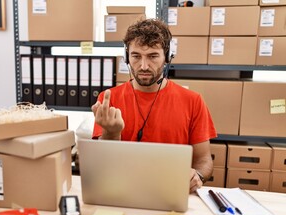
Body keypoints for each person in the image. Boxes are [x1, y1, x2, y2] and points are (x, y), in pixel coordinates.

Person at [91, 18, 217, 193]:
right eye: (136, 56)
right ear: (127, 58)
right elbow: (101, 166)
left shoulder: (193, 101)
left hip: (172, 193)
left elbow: (204, 160)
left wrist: (198, 176)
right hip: (121, 192)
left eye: (152, 56)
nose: (143, 66)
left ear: (167, 57)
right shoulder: (108, 99)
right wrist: (111, 133)